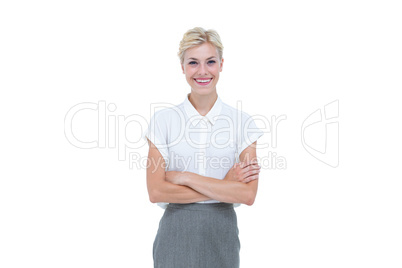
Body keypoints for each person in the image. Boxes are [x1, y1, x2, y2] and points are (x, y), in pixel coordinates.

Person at [144, 27, 264, 268]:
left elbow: (247, 195)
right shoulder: (163, 121)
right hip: (174, 234)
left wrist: (183, 177)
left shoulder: (243, 123)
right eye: (193, 63)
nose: (202, 71)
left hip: (221, 235)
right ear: (182, 67)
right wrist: (223, 186)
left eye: (210, 61)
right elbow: (156, 192)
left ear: (221, 64)